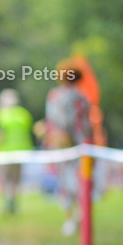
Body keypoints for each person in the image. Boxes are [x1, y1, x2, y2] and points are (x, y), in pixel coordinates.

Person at [45, 68, 92, 235]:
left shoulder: (55, 96)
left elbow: (52, 120)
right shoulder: (83, 97)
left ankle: (71, 218)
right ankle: (78, 216)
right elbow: (86, 124)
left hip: (63, 145)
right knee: (78, 182)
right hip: (79, 144)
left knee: (65, 183)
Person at [0, 89, 34, 214]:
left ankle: (8, 201)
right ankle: (14, 201)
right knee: (16, 179)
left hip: (5, 152)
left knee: (6, 179)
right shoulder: (24, 114)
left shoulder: (1, 115)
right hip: (22, 151)